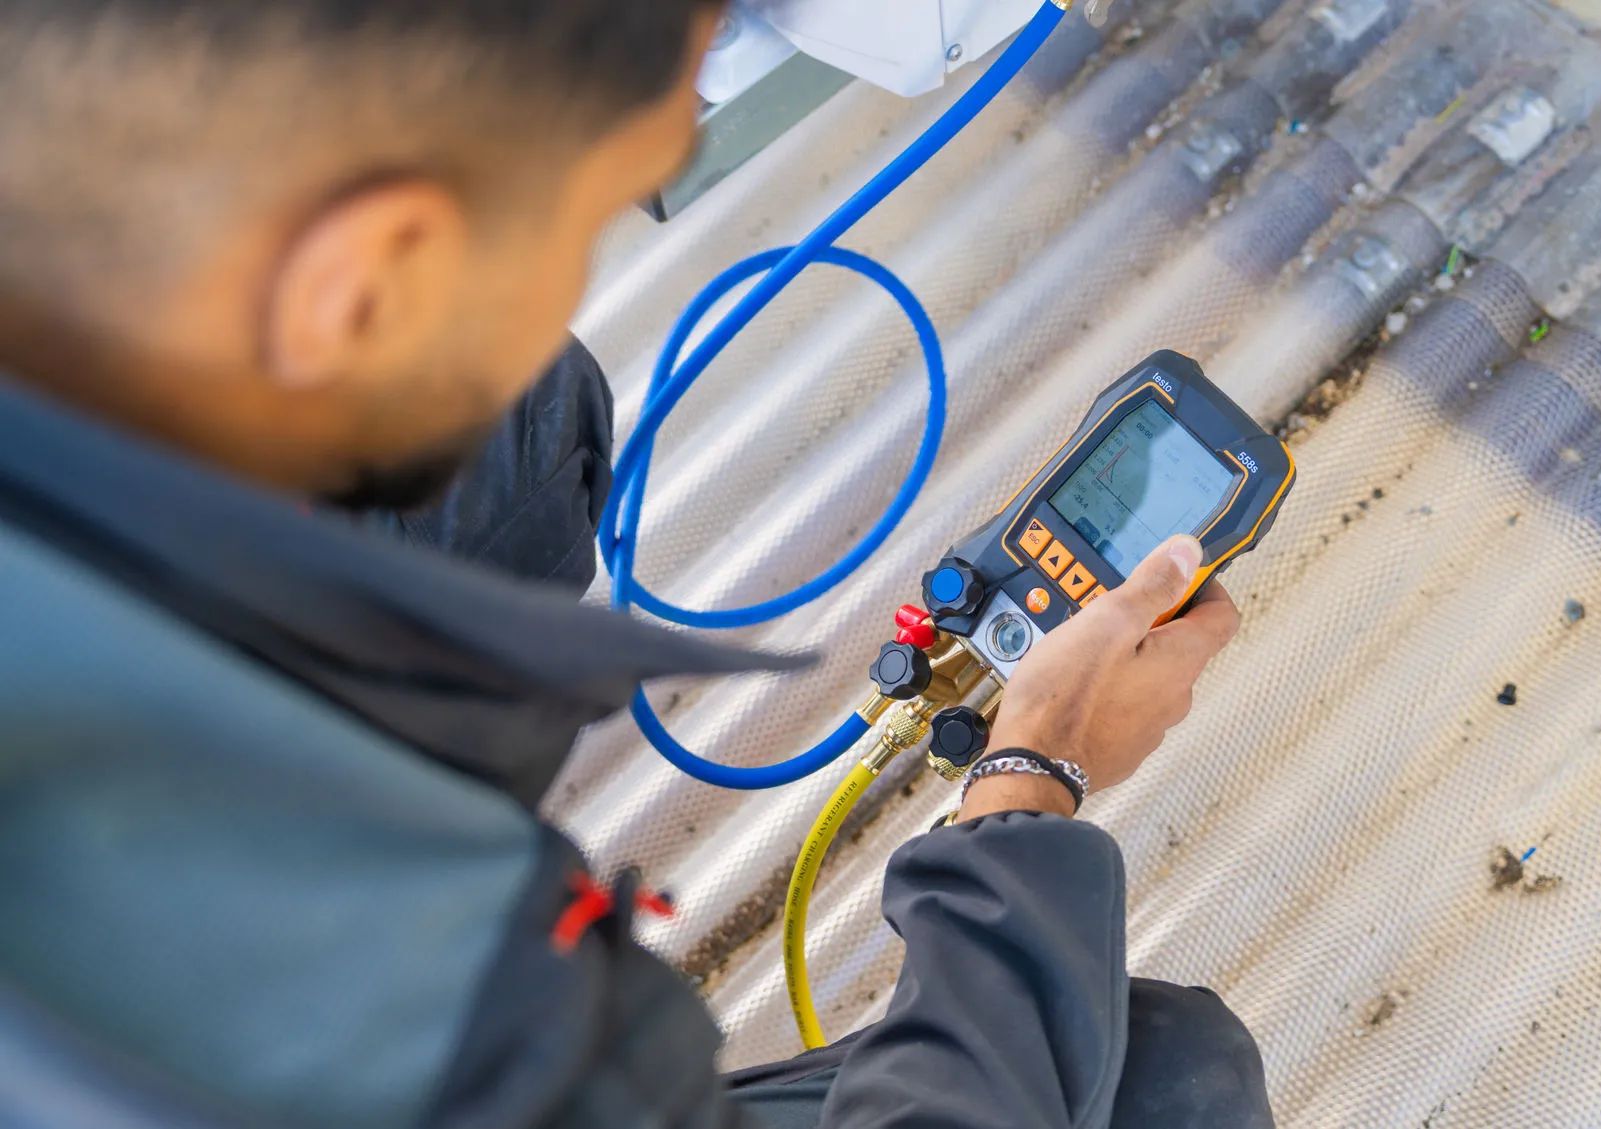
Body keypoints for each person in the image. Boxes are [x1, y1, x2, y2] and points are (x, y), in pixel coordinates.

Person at [0, 2, 1273, 1126]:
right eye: (602, 196)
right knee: (1166, 1084)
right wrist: (1030, 770)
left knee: (523, 422)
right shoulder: (347, 1009)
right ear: (356, 272)